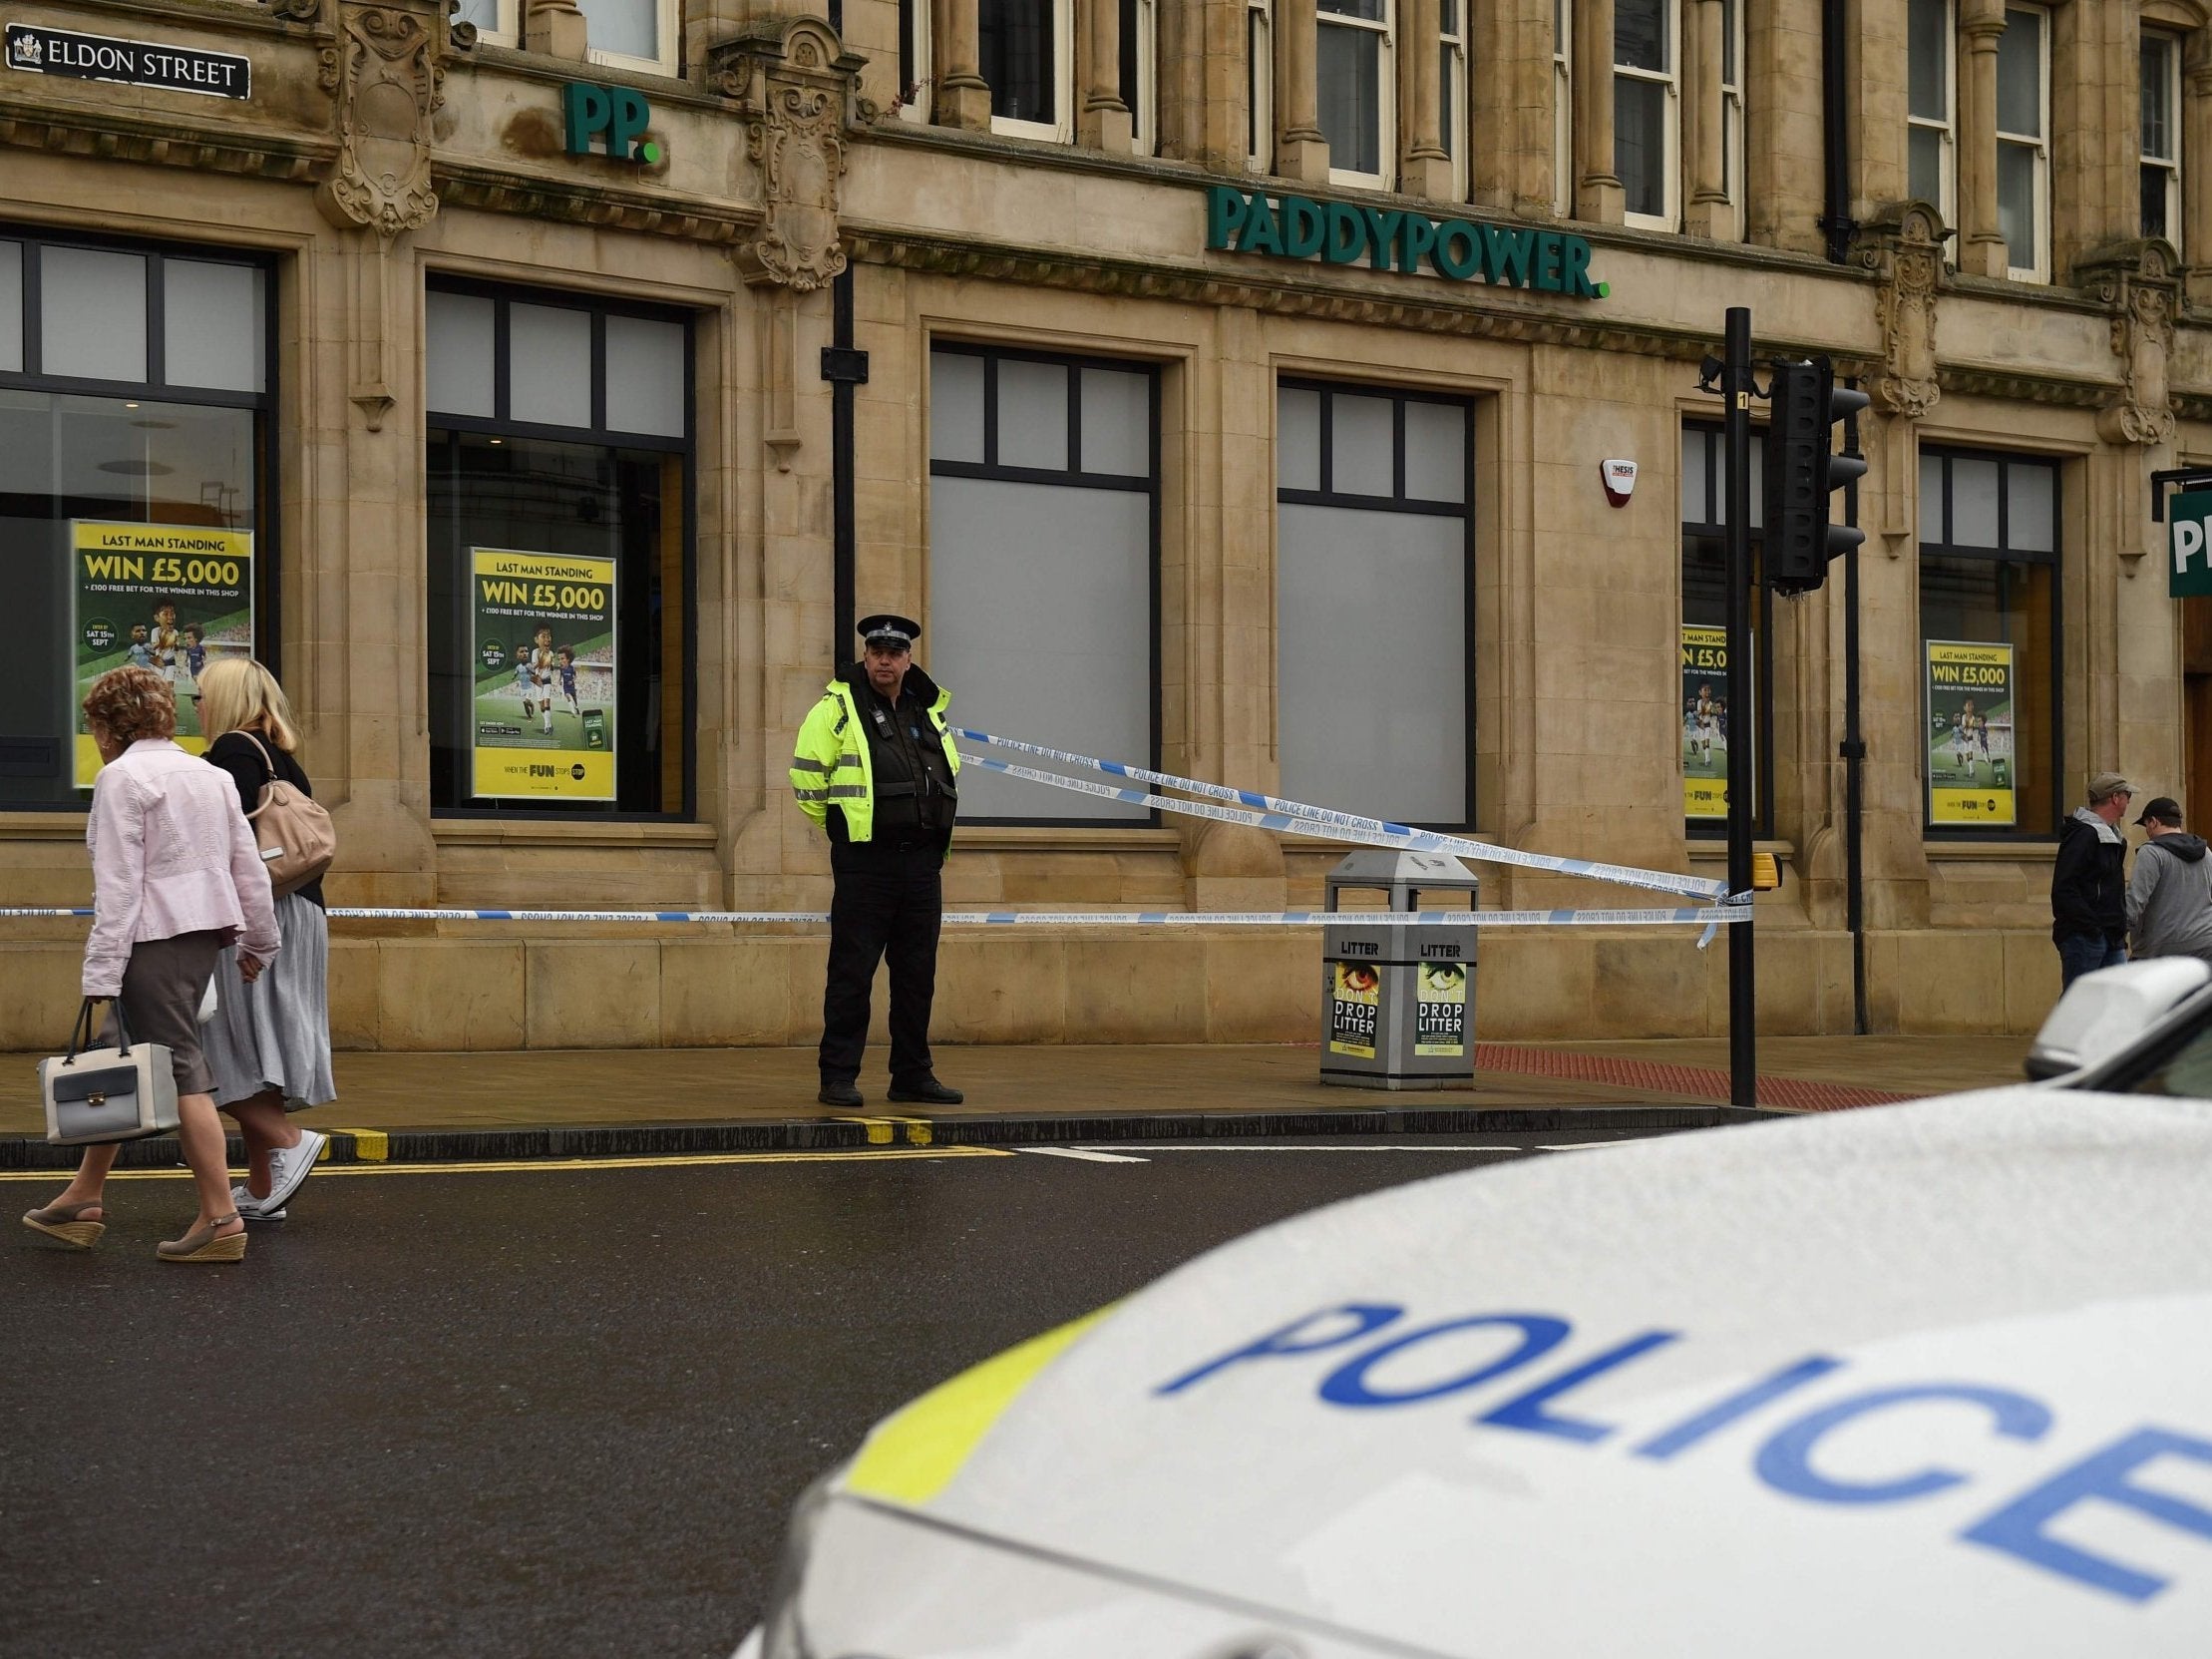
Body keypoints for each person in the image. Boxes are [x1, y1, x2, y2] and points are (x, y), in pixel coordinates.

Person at [24, 665, 278, 1263]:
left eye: (94, 726)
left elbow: (118, 887)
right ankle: (84, 1196)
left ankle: (220, 1219)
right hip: (200, 936)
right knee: (123, 1055)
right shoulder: (210, 775)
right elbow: (250, 868)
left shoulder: (123, 778)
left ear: (110, 725)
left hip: (150, 938)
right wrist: (258, 943)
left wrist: (100, 975)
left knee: (182, 1068)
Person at [790, 614, 963, 1108]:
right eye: (876, 652)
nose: (884, 660)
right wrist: (844, 829)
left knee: (916, 976)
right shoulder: (837, 707)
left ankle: (912, 1075)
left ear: (909, 659)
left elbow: (944, 776)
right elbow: (807, 779)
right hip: (866, 862)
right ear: (865, 657)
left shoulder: (926, 709)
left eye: (894, 652)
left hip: (922, 865)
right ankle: (838, 1076)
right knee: (852, 973)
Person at [196, 657, 335, 1222]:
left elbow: (223, 844)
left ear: (227, 699)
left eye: (203, 695)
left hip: (260, 914)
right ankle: (262, 1186)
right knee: (260, 1047)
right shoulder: (278, 754)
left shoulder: (233, 750)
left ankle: (284, 1141)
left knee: (217, 1046)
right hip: (298, 909)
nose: (196, 705)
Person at [2052, 771, 2133, 989]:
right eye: (2128, 796)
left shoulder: (2114, 837)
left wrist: (2117, 929)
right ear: (2116, 798)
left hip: (2110, 936)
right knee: (2079, 1003)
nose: (2128, 801)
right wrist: (2092, 927)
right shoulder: (2084, 834)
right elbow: (2064, 888)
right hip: (2086, 937)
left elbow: (2112, 889)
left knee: (2119, 1000)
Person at [2125, 796, 2212, 966]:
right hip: (2206, 944)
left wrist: (2117, 935)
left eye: (2146, 825)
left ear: (2153, 822)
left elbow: (2135, 900)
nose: (2147, 831)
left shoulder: (2151, 852)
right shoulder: (2206, 852)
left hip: (2162, 949)